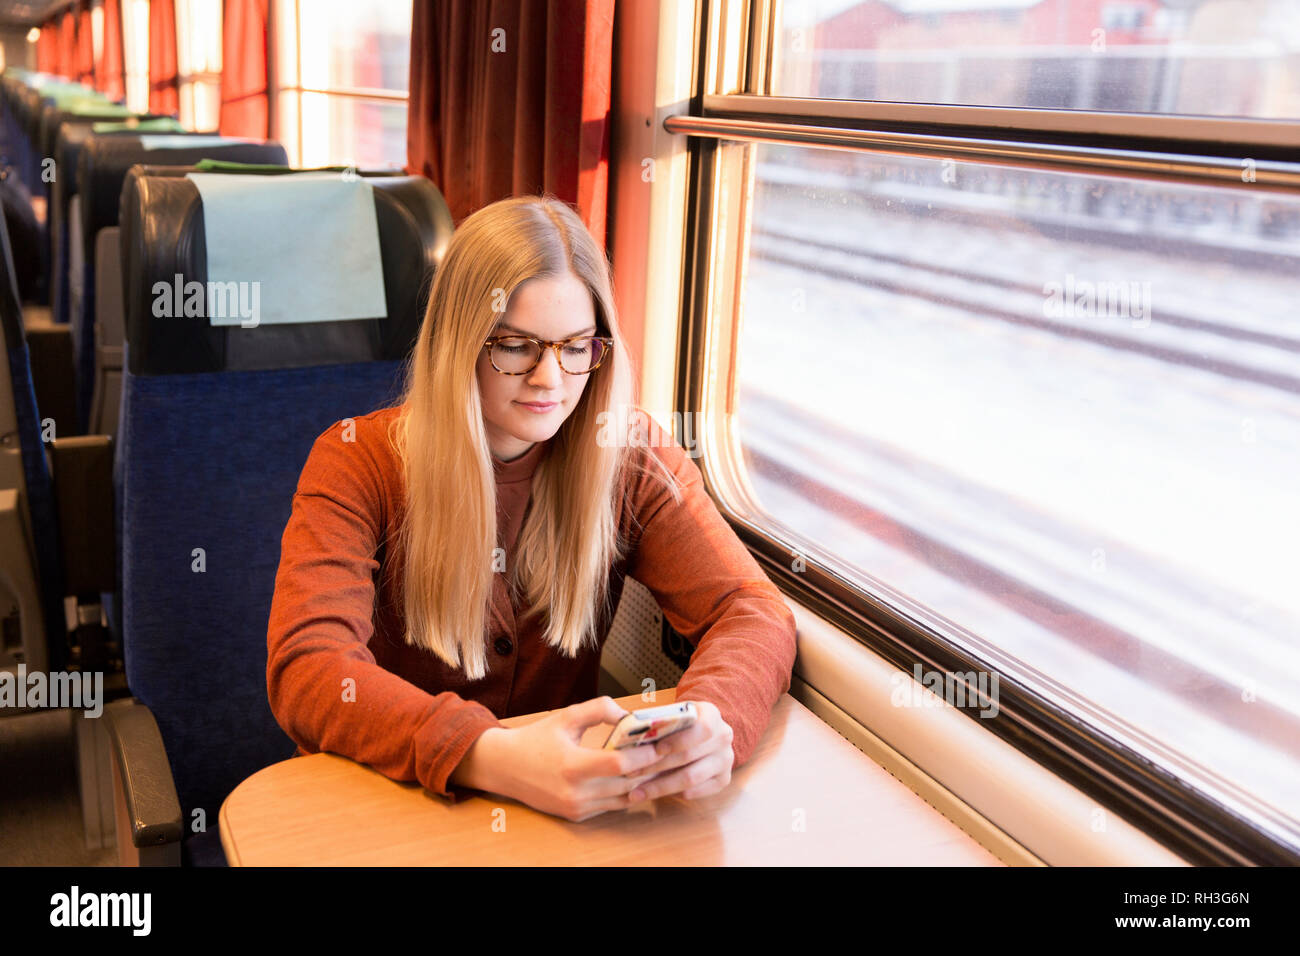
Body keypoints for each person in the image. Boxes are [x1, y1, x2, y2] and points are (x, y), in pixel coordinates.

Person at [266, 194, 796, 824]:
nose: (552, 379)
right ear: (458, 342)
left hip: (553, 819)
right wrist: (493, 755)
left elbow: (750, 610)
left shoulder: (627, 456)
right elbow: (310, 669)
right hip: (383, 805)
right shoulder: (356, 459)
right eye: (517, 347)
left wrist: (714, 722)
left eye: (577, 347)